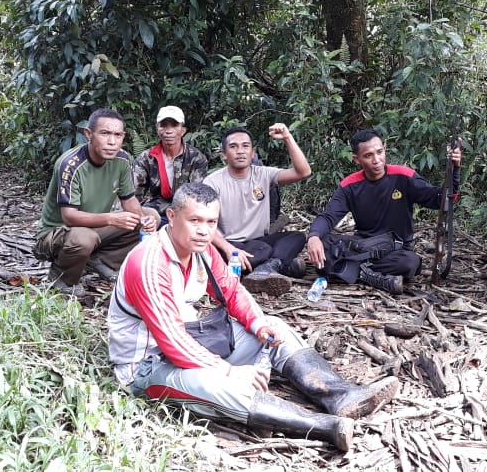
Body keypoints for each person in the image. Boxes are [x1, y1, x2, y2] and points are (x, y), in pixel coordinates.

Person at [107, 183, 399, 451]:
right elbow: (172, 341)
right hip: (147, 365)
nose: (203, 231)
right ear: (171, 216)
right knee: (215, 385)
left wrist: (257, 323)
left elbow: (232, 292)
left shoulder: (203, 250)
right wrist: (230, 372)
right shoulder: (148, 261)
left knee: (273, 326)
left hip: (190, 340)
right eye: (194, 221)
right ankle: (325, 428)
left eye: (210, 222)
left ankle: (341, 396)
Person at [306, 129, 462, 294]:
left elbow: (442, 199)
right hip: (362, 246)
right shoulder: (349, 185)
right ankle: (369, 275)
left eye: (379, 152)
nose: (376, 160)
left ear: (384, 149)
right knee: (321, 244)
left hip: (395, 250)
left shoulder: (403, 176)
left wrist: (455, 169)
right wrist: (314, 237)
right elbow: (329, 216)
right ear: (356, 159)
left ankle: (347, 270)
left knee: (410, 263)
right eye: (368, 156)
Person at [34, 108, 158, 296]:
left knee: (150, 215)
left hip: (93, 228)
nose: (112, 141)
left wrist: (144, 222)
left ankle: (101, 261)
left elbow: (128, 199)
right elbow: (69, 217)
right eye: (105, 133)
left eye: (117, 135)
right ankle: (61, 279)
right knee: (84, 238)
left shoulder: (122, 160)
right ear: (89, 134)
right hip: (54, 234)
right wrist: (111, 219)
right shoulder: (70, 164)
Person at [204, 124, 312, 295]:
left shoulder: (263, 174)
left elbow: (303, 172)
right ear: (224, 154)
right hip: (228, 244)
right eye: (233, 146)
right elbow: (205, 224)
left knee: (297, 237)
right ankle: (279, 266)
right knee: (262, 250)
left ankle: (267, 268)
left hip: (259, 241)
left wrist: (287, 138)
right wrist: (229, 249)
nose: (240, 151)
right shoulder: (213, 182)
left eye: (245, 146)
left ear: (252, 152)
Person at [133, 105, 210, 227]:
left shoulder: (196, 157)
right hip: (155, 212)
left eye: (174, 125)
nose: (169, 130)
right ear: (158, 130)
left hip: (185, 213)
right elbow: (135, 196)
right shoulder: (146, 158)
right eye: (163, 125)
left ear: (183, 130)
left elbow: (198, 195)